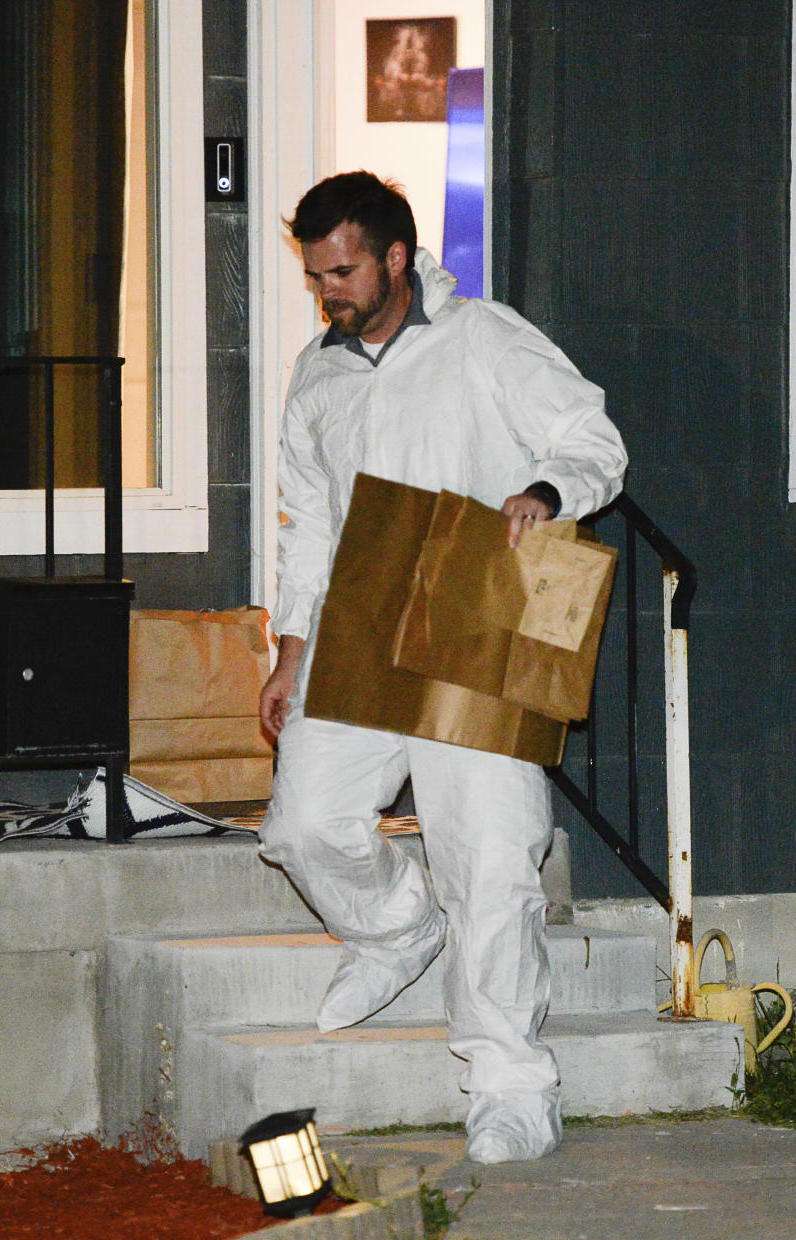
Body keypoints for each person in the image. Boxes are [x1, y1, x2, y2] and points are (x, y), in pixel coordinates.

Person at [257, 171, 627, 1164]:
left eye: (339, 270)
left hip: (484, 621)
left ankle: (511, 1083)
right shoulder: (318, 374)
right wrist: (289, 650)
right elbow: (310, 523)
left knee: (491, 854)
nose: (325, 289)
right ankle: (393, 929)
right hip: (363, 624)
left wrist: (548, 491)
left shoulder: (487, 340)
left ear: (392, 257)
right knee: (302, 823)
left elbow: (595, 440)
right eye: (313, 273)